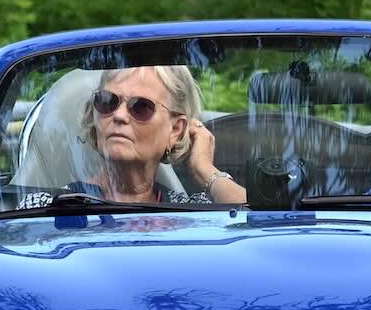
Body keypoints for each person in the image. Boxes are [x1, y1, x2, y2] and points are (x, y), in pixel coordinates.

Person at [68, 65, 248, 206]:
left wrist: (204, 169)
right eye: (108, 101)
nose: (119, 116)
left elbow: (257, 221)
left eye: (141, 106)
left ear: (175, 130)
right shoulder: (54, 205)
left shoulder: (188, 211)